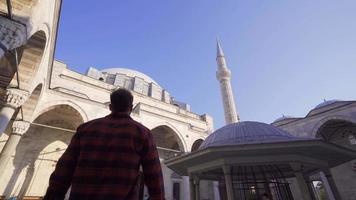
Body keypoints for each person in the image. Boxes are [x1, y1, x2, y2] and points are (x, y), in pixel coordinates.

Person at [43, 88, 165, 200]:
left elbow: (64, 168)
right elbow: (154, 174)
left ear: (110, 106)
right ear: (131, 107)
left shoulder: (86, 129)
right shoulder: (142, 133)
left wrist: (53, 196)